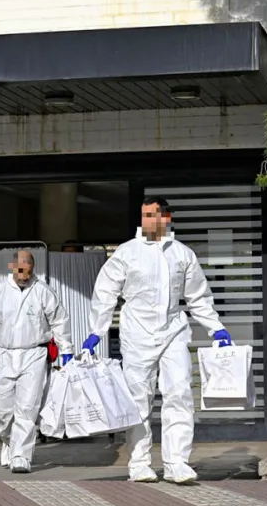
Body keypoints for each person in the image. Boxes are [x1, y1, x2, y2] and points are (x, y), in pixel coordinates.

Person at [82, 196, 231, 484]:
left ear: (166, 218)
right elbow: (105, 293)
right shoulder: (127, 253)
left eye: (151, 215)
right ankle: (139, 463)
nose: (146, 220)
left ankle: (177, 462)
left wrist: (216, 328)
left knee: (180, 392)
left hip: (173, 331)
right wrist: (95, 331)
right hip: (136, 334)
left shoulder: (183, 254)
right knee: (139, 400)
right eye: (144, 215)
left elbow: (198, 296)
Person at [0, 249, 73, 473]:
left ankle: (21, 455)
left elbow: (59, 321)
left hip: (34, 355)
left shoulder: (43, 292)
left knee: (27, 407)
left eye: (28, 271)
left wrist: (66, 348)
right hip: (4, 355)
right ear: (12, 267)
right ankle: (9, 440)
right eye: (20, 270)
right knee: (1, 408)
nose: (24, 276)